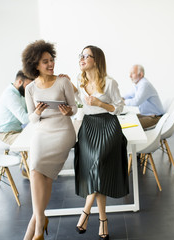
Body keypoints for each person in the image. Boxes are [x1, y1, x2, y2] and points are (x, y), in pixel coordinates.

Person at [22, 40, 77, 240]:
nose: (50, 64)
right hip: (41, 131)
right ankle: (39, 223)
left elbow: (75, 107)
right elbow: (31, 119)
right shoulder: (30, 88)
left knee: (45, 175)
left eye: (51, 60)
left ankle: (36, 230)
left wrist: (68, 111)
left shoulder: (63, 81)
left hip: (62, 131)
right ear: (35, 65)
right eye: (45, 61)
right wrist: (37, 112)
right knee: (36, 170)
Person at [72, 45, 129, 240]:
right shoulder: (79, 83)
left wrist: (100, 103)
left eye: (86, 56)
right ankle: (103, 221)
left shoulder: (110, 82)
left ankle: (86, 211)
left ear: (96, 60)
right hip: (88, 128)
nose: (82, 59)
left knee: (98, 165)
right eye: (81, 56)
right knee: (98, 172)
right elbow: (79, 107)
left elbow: (119, 108)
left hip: (108, 127)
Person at [0, 70, 33, 145]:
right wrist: (38, 112)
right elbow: (24, 119)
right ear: (19, 82)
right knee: (35, 140)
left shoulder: (20, 94)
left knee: (38, 135)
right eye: (28, 86)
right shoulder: (10, 95)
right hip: (6, 135)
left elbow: (28, 111)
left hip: (16, 131)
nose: (29, 89)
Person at [122, 64, 164, 129]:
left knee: (130, 125)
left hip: (155, 117)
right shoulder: (138, 85)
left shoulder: (144, 85)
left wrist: (123, 102)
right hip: (147, 115)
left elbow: (136, 102)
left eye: (132, 73)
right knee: (127, 119)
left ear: (141, 74)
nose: (130, 76)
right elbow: (129, 95)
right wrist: (121, 99)